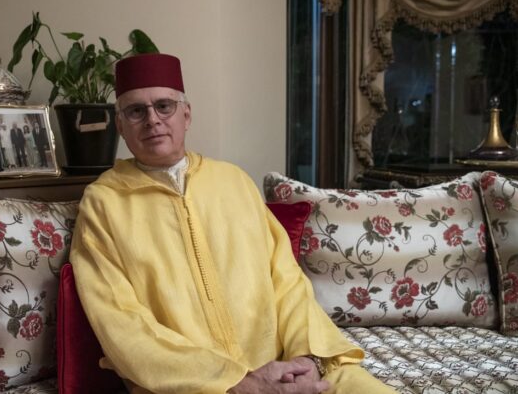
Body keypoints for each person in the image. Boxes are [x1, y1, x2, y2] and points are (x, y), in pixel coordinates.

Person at [68, 53, 393, 394]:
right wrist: (238, 382)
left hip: (283, 365)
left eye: (164, 106)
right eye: (136, 111)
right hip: (190, 385)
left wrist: (307, 360)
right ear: (120, 125)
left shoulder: (234, 181)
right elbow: (120, 324)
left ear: (186, 114)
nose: (152, 120)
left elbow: (286, 281)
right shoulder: (103, 203)